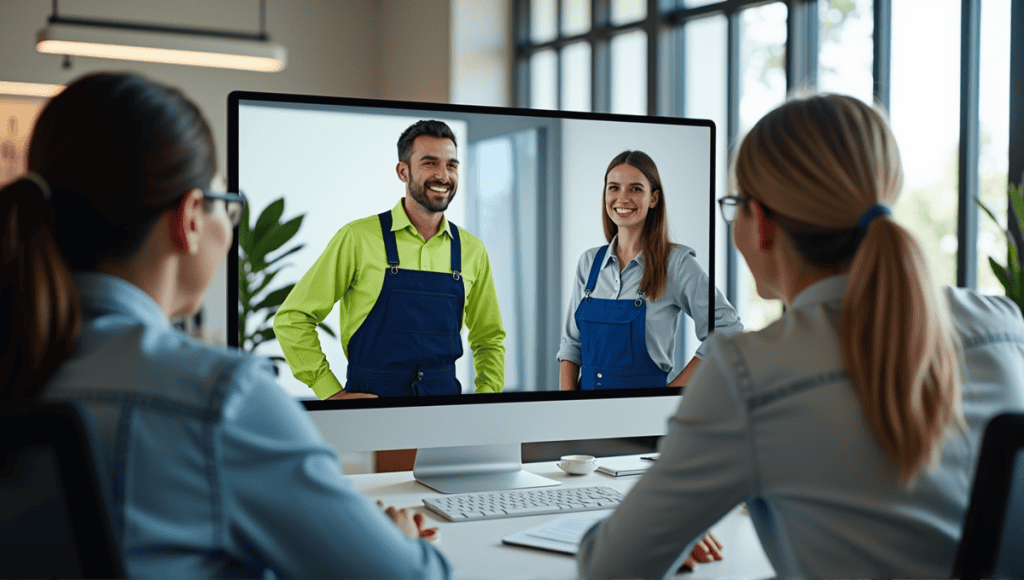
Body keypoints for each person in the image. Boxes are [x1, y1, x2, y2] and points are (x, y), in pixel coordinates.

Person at [0, 72, 451, 579]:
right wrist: (403, 541)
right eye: (226, 205)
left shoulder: (19, 358)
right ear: (190, 218)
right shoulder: (218, 397)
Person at [576, 94, 1024, 579]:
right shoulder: (1003, 324)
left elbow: (609, 569)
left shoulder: (749, 374)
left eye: (734, 208)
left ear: (762, 223)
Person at [274, 120, 506, 399]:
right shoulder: (357, 238)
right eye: (430, 163)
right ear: (403, 171)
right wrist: (331, 393)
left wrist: (486, 399)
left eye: (451, 165)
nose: (443, 176)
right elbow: (292, 318)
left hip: (446, 406)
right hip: (371, 405)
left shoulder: (472, 250)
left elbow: (489, 338)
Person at [557, 150, 742, 390]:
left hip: (645, 420)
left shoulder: (675, 262)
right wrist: (568, 407)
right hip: (586, 418)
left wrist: (672, 392)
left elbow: (728, 328)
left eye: (635, 189)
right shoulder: (589, 262)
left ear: (654, 198)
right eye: (614, 188)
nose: (622, 198)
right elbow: (571, 345)